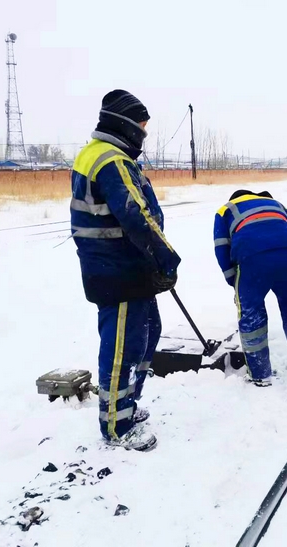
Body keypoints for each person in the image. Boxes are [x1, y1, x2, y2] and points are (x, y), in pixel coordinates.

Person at [71, 89, 180, 451]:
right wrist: (166, 258)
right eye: (143, 125)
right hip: (115, 268)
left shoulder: (105, 155)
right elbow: (136, 215)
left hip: (127, 266)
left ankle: (127, 404)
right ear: (127, 124)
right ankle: (117, 425)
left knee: (149, 333)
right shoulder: (111, 160)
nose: (145, 133)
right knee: (123, 347)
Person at [213, 190, 287, 389]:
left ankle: (260, 375)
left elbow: (221, 247)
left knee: (252, 317)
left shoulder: (225, 210)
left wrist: (233, 281)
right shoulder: (277, 204)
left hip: (251, 258)